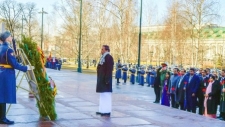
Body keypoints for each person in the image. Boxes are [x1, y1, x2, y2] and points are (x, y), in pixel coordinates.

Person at [0, 31, 33, 124]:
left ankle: (1, 118)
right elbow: (14, 64)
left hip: (1, 72)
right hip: (6, 74)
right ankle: (2, 118)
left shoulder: (1, 48)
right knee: (4, 96)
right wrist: (26, 68)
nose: (11, 37)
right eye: (10, 36)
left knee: (1, 96)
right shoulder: (8, 50)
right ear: (7, 38)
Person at [96, 45, 114, 117]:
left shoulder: (109, 57)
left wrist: (107, 80)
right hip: (102, 79)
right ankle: (102, 110)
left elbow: (109, 70)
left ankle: (107, 111)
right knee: (102, 95)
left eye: (102, 49)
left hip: (106, 80)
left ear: (106, 50)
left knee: (106, 96)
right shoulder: (103, 57)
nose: (101, 51)